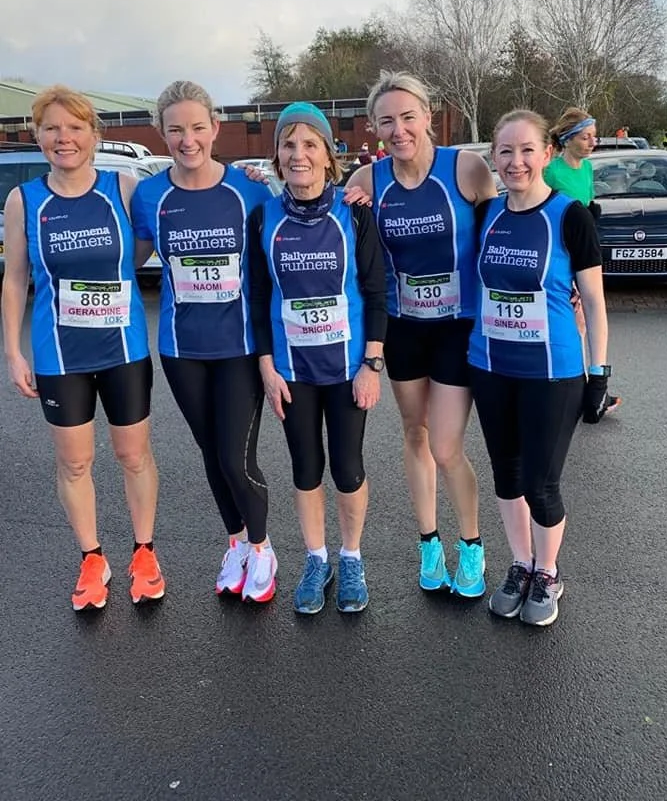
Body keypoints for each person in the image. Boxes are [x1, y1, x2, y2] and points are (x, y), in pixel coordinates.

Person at [1, 85, 164, 611]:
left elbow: (161, 230)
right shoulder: (25, 200)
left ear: (94, 134)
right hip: (59, 353)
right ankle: (93, 557)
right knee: (74, 462)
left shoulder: (125, 188)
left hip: (123, 348)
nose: (63, 138)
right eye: (51, 128)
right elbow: (15, 278)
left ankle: (144, 551)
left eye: (74, 127)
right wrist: (13, 352)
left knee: (133, 454)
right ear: (37, 135)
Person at [346, 71, 497, 598]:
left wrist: (563, 276)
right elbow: (324, 223)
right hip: (403, 327)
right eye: (387, 120)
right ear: (375, 127)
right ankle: (429, 543)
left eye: (408, 117)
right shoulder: (368, 181)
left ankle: (471, 545)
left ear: (428, 116)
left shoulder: (467, 168)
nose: (399, 129)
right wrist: (261, 183)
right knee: (415, 434)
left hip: (458, 327)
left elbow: (507, 229)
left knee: (447, 446)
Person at [131, 81, 277, 603]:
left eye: (197, 127)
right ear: (161, 133)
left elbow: (290, 242)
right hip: (181, 348)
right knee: (211, 454)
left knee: (237, 457)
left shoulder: (249, 191)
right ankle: (235, 543)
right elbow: (125, 260)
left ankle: (262, 548)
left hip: (239, 347)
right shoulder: (150, 195)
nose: (187, 139)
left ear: (215, 128)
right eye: (175, 129)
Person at [469, 109, 614, 627]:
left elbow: (593, 301)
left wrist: (599, 372)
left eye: (527, 150)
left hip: (553, 371)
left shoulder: (570, 216)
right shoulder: (485, 213)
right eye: (505, 151)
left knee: (541, 482)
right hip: (490, 365)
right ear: (493, 157)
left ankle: (548, 572)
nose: (516, 161)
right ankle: (521, 563)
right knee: (506, 474)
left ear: (547, 154)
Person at [249, 102, 387, 615]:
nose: (298, 154)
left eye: (310, 144)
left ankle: (351, 558)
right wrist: (266, 366)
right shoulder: (264, 217)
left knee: (347, 468)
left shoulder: (355, 213)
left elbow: (377, 292)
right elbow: (258, 296)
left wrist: (372, 364)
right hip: (292, 370)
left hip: (348, 369)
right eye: (288, 145)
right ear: (277, 157)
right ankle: (316, 558)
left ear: (329, 156)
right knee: (306, 467)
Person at [547, 108, 620, 414]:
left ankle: (588, 386)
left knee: (587, 317)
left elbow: (587, 206)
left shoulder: (588, 169)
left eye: (594, 136)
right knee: (574, 319)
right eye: (586, 137)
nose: (593, 142)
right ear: (567, 139)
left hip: (585, 252)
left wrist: (591, 214)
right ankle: (575, 388)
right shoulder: (551, 172)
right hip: (560, 254)